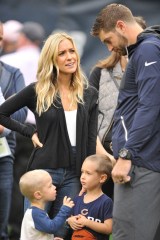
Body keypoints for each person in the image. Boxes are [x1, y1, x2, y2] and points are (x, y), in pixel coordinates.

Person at [0, 31, 98, 239]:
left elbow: (90, 138)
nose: (70, 57)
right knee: (36, 234)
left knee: (62, 234)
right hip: (43, 173)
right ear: (52, 59)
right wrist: (29, 131)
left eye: (72, 51)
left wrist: (89, 175)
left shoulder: (89, 93)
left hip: (74, 175)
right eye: (62, 53)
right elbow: (2, 113)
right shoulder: (37, 91)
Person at [91, 3, 160, 240]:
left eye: (108, 40)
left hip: (139, 162)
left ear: (121, 25)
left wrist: (126, 154)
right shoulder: (145, 49)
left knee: (127, 236)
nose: (110, 47)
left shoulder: (148, 50)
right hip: (143, 159)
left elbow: (150, 106)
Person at [89, 16, 147, 199]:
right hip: (101, 155)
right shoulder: (99, 73)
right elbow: (88, 116)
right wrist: (105, 157)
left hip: (140, 154)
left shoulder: (149, 69)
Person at [0, 21, 27, 240]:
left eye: (0, 38)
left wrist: (3, 121)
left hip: (3, 154)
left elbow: (22, 110)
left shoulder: (11, 73)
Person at [19, 169, 74, 240]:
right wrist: (64, 209)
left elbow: (39, 235)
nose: (54, 187)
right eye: (50, 186)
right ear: (38, 195)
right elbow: (52, 228)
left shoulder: (37, 212)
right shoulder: (35, 213)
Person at [67, 154, 113, 240]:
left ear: (102, 178)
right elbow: (69, 217)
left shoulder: (106, 202)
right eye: (82, 172)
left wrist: (87, 222)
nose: (83, 177)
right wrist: (70, 221)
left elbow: (108, 228)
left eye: (88, 173)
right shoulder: (77, 199)